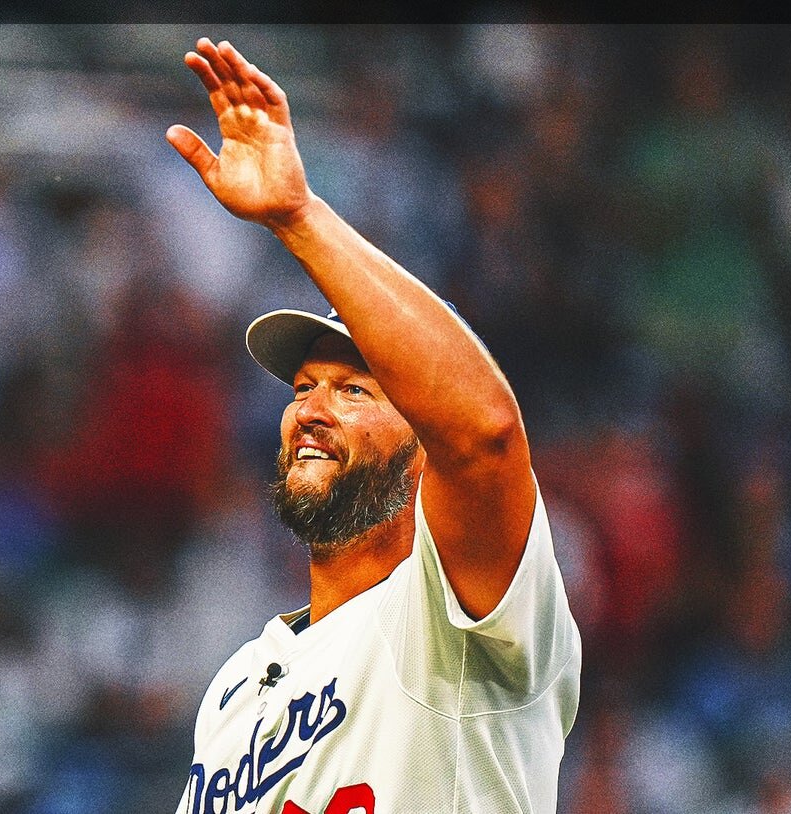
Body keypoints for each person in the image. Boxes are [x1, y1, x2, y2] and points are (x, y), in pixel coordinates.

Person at [164, 38, 582, 813]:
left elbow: (485, 435)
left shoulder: (462, 613)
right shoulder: (233, 688)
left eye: (355, 389)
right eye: (304, 387)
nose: (312, 408)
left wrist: (298, 218)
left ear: (427, 443)